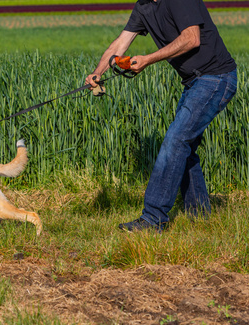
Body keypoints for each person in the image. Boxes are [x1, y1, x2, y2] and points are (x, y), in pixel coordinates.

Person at [85, 0, 237, 232]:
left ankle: (154, 219)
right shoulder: (143, 6)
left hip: (216, 78)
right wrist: (98, 72)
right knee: (184, 148)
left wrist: (148, 59)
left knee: (176, 141)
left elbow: (191, 38)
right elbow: (121, 42)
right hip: (194, 82)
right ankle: (201, 215)